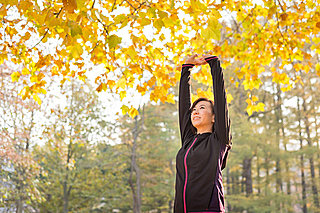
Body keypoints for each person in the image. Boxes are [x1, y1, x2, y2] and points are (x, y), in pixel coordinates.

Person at [174, 54, 232, 213]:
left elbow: (221, 101)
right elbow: (183, 106)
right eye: (194, 109)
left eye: (202, 108)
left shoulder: (219, 139)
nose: (195, 112)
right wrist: (186, 69)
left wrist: (214, 64)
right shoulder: (188, 140)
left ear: (214, 117)